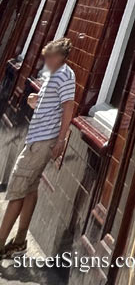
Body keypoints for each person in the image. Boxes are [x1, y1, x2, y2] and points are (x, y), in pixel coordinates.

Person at [0, 38, 76, 259]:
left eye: (50, 57)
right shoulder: (54, 75)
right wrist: (37, 100)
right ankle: (20, 241)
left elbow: (68, 108)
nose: (47, 61)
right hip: (37, 139)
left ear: (60, 57)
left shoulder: (66, 76)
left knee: (16, 189)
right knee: (29, 189)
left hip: (42, 142)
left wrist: (61, 141)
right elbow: (50, 104)